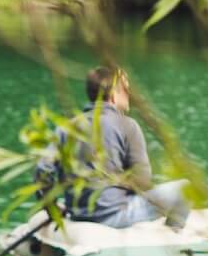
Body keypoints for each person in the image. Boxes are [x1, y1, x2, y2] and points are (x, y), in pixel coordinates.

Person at [34, 67, 191, 229]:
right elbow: (143, 181)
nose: (130, 94)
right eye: (127, 89)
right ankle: (173, 236)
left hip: (78, 215)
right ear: (115, 95)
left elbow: (41, 172)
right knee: (185, 187)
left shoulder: (65, 128)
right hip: (116, 216)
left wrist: (52, 209)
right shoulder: (127, 126)